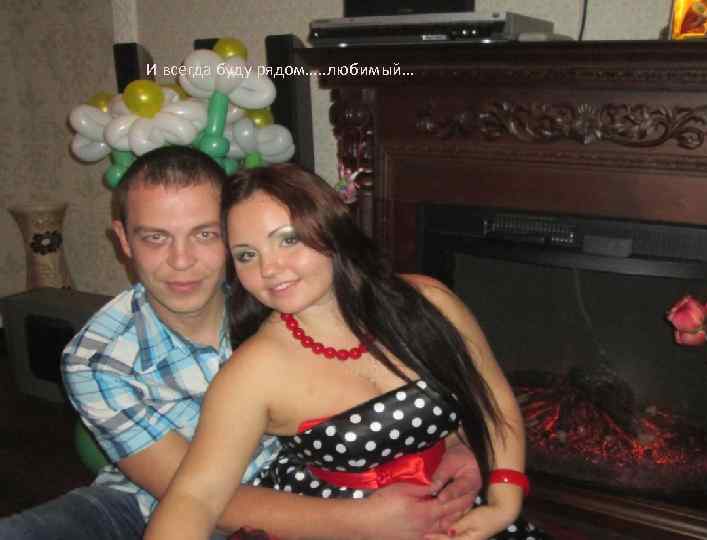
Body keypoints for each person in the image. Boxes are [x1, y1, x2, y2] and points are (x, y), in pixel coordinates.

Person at [0, 146, 481, 540]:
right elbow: (199, 498)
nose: (182, 261)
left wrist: (455, 441)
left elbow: (395, 370)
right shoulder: (97, 358)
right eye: (155, 238)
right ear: (123, 240)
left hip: (310, 494)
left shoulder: (283, 292)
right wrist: (365, 522)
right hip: (146, 503)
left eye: (205, 234)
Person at [145, 163, 550, 540]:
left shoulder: (429, 302)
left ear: (330, 230)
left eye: (288, 239)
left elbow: (492, 401)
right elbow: (195, 498)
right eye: (247, 255)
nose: (268, 268)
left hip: (457, 515)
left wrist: (503, 503)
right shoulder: (254, 372)